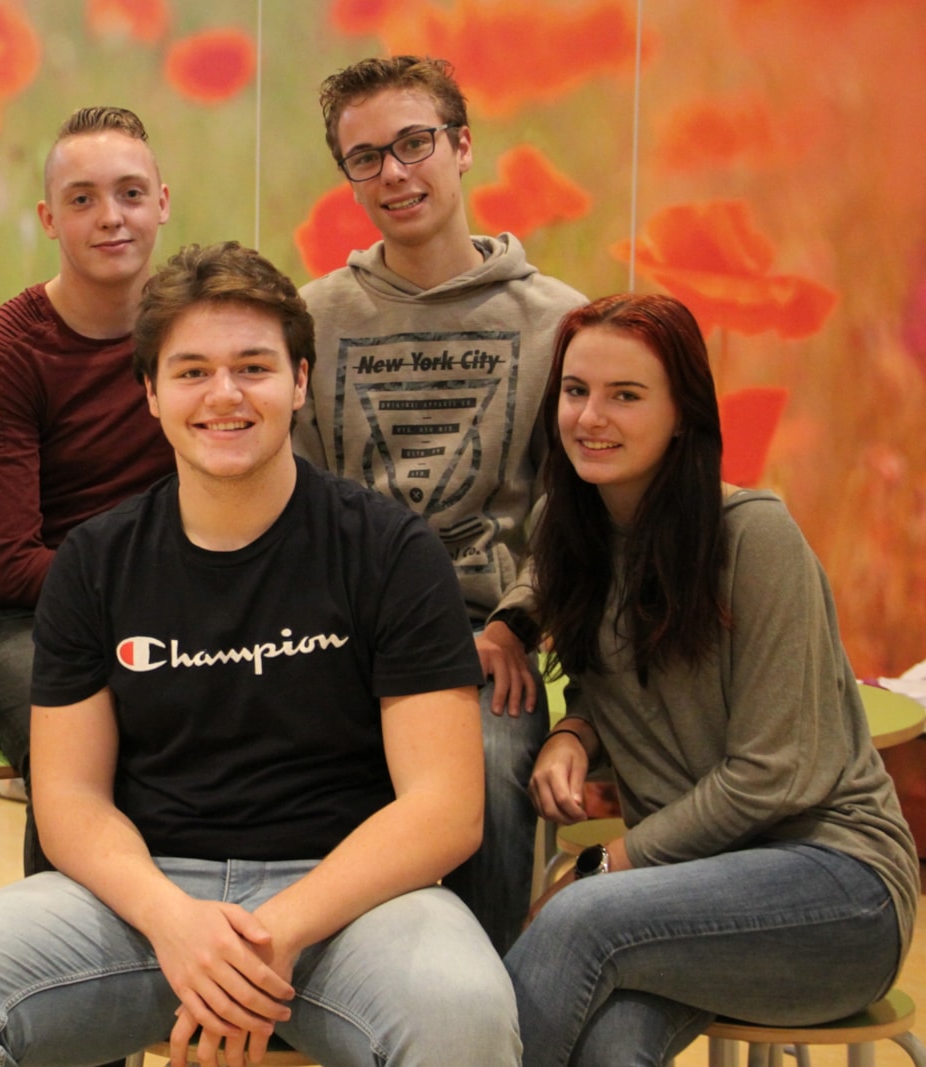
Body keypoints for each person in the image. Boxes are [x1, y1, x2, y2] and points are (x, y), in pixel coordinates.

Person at [0, 242, 519, 1067]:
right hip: (146, 906)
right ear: (151, 392)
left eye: (253, 367)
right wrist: (174, 921)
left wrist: (276, 931)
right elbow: (70, 797)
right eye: (191, 372)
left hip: (347, 907)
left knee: (465, 1012)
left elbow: (444, 806)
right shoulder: (95, 563)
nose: (224, 394)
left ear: (299, 381)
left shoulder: (391, 551)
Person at [502, 294, 918, 1066]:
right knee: (606, 1044)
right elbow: (621, 674)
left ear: (681, 415)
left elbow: (771, 773)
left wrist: (604, 863)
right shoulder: (575, 533)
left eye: (626, 395)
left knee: (576, 918)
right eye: (576, 390)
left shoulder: (755, 537)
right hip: (691, 888)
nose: (591, 416)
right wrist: (574, 728)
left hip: (838, 889)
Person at [294, 55, 586, 954]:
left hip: (485, 645)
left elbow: (574, 511)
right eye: (366, 156)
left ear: (461, 147)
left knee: (488, 772)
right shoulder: (310, 321)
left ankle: (480, 998)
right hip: (343, 639)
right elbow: (293, 499)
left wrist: (516, 621)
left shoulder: (558, 321)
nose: (393, 172)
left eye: (414, 143)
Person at [0, 105, 174, 872]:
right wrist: (168, 586)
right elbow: (12, 567)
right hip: (16, 619)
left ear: (161, 203)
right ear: (49, 218)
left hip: (163, 601)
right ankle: (64, 938)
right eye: (82, 199)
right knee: (78, 747)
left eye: (130, 193)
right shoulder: (3, 352)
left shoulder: (194, 337)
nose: (111, 217)